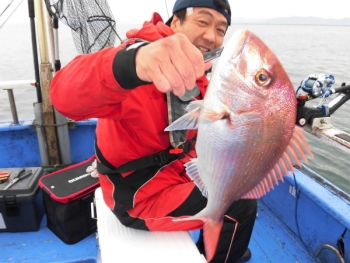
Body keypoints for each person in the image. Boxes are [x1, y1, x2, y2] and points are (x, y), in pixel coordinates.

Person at [50, 0, 257, 262]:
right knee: (240, 205)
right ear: (175, 22)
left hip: (178, 174)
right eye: (202, 22)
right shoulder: (142, 63)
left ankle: (215, 246)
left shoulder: (199, 73)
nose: (211, 36)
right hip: (139, 197)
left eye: (220, 29)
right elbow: (63, 97)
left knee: (241, 180)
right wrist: (132, 64)